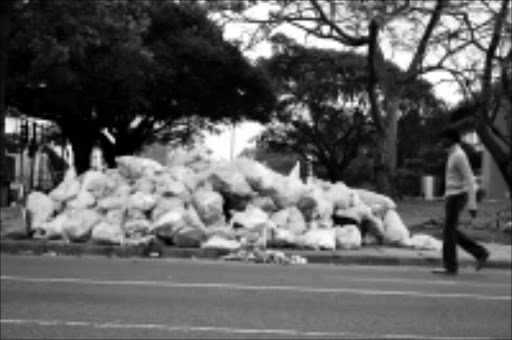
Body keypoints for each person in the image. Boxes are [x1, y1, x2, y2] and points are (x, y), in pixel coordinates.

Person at [433, 128, 490, 275]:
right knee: (450, 231)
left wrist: (472, 204)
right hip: (453, 195)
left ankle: (451, 266)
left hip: (458, 195)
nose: (440, 142)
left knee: (448, 231)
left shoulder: (459, 155)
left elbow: (470, 179)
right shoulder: (451, 153)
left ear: (451, 140)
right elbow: (453, 178)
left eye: (443, 138)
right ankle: (480, 253)